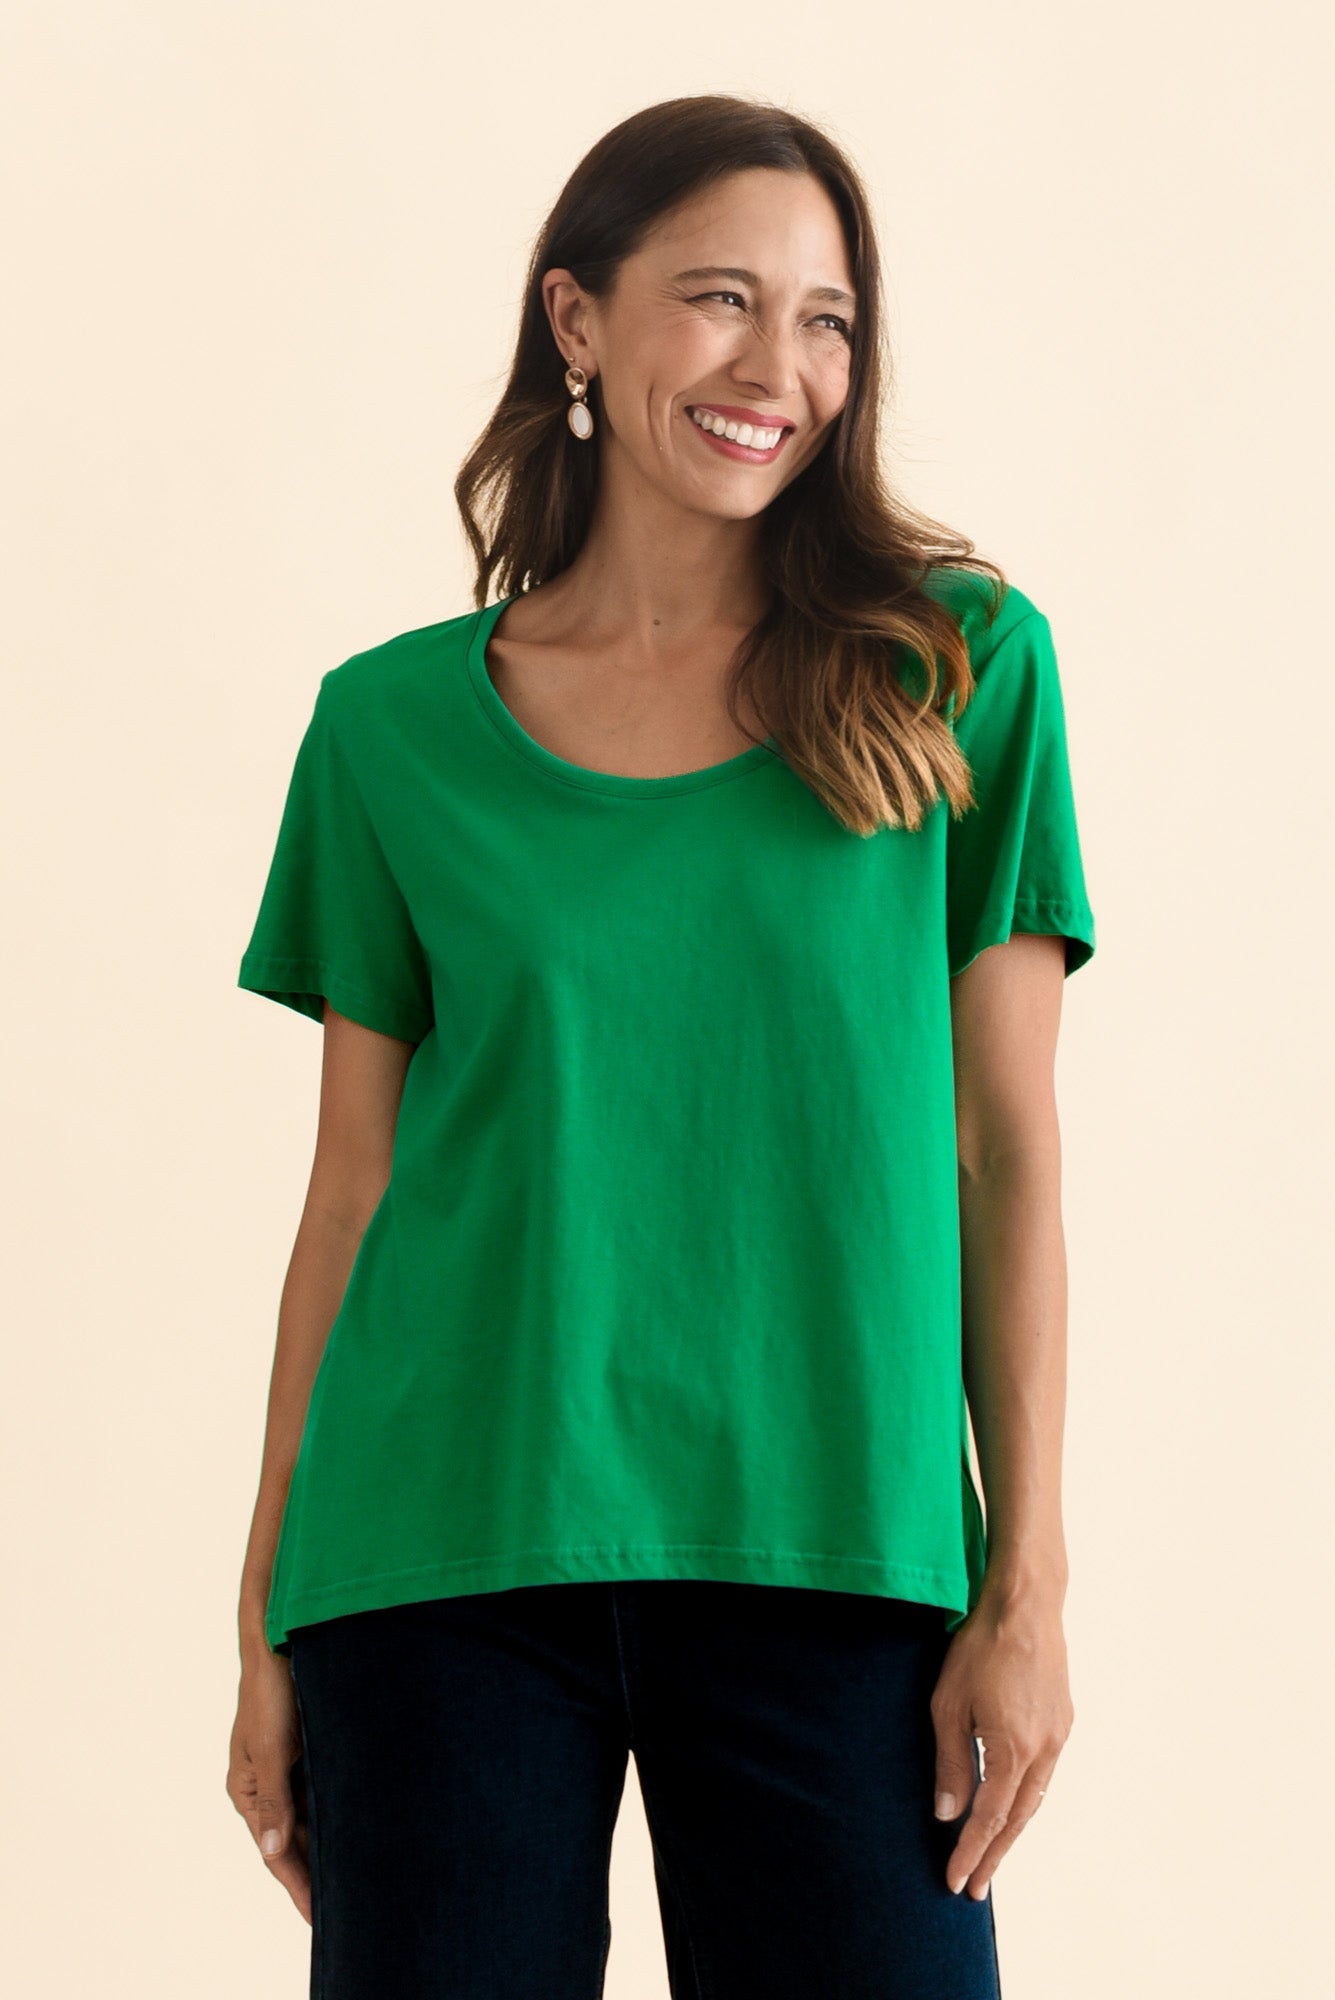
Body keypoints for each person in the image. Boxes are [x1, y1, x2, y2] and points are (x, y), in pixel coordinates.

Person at [225, 92, 1096, 2000]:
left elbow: (1001, 1148)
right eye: (719, 298)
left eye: (827, 319)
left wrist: (1025, 1579)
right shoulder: (387, 732)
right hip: (438, 1560)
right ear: (577, 320)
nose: (777, 367)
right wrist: (267, 1608)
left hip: (838, 1555)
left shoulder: (954, 671)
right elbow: (352, 1191)